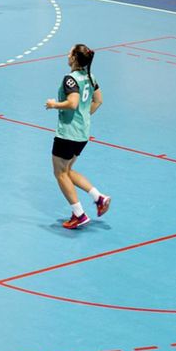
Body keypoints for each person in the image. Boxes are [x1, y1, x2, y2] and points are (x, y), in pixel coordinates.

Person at [44, 43, 111, 230]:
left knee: (59, 173)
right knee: (68, 171)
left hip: (67, 134)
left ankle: (79, 214)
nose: (67, 54)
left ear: (74, 58)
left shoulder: (70, 80)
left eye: (70, 52)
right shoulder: (90, 77)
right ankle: (99, 198)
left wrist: (53, 104)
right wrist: (84, 116)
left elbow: (72, 103)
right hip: (82, 134)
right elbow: (99, 100)